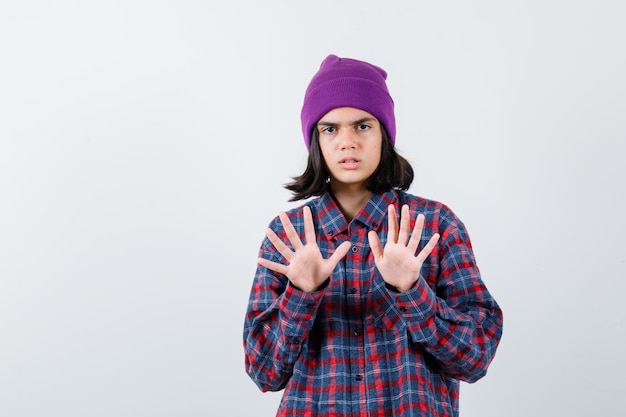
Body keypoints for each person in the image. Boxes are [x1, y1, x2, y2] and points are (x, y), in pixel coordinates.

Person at [243, 54, 503, 417]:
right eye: (330, 128)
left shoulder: (435, 225)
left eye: (362, 126)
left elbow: (475, 358)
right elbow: (264, 372)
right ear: (315, 140)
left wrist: (412, 292)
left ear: (384, 133)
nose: (347, 142)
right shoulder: (290, 236)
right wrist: (301, 295)